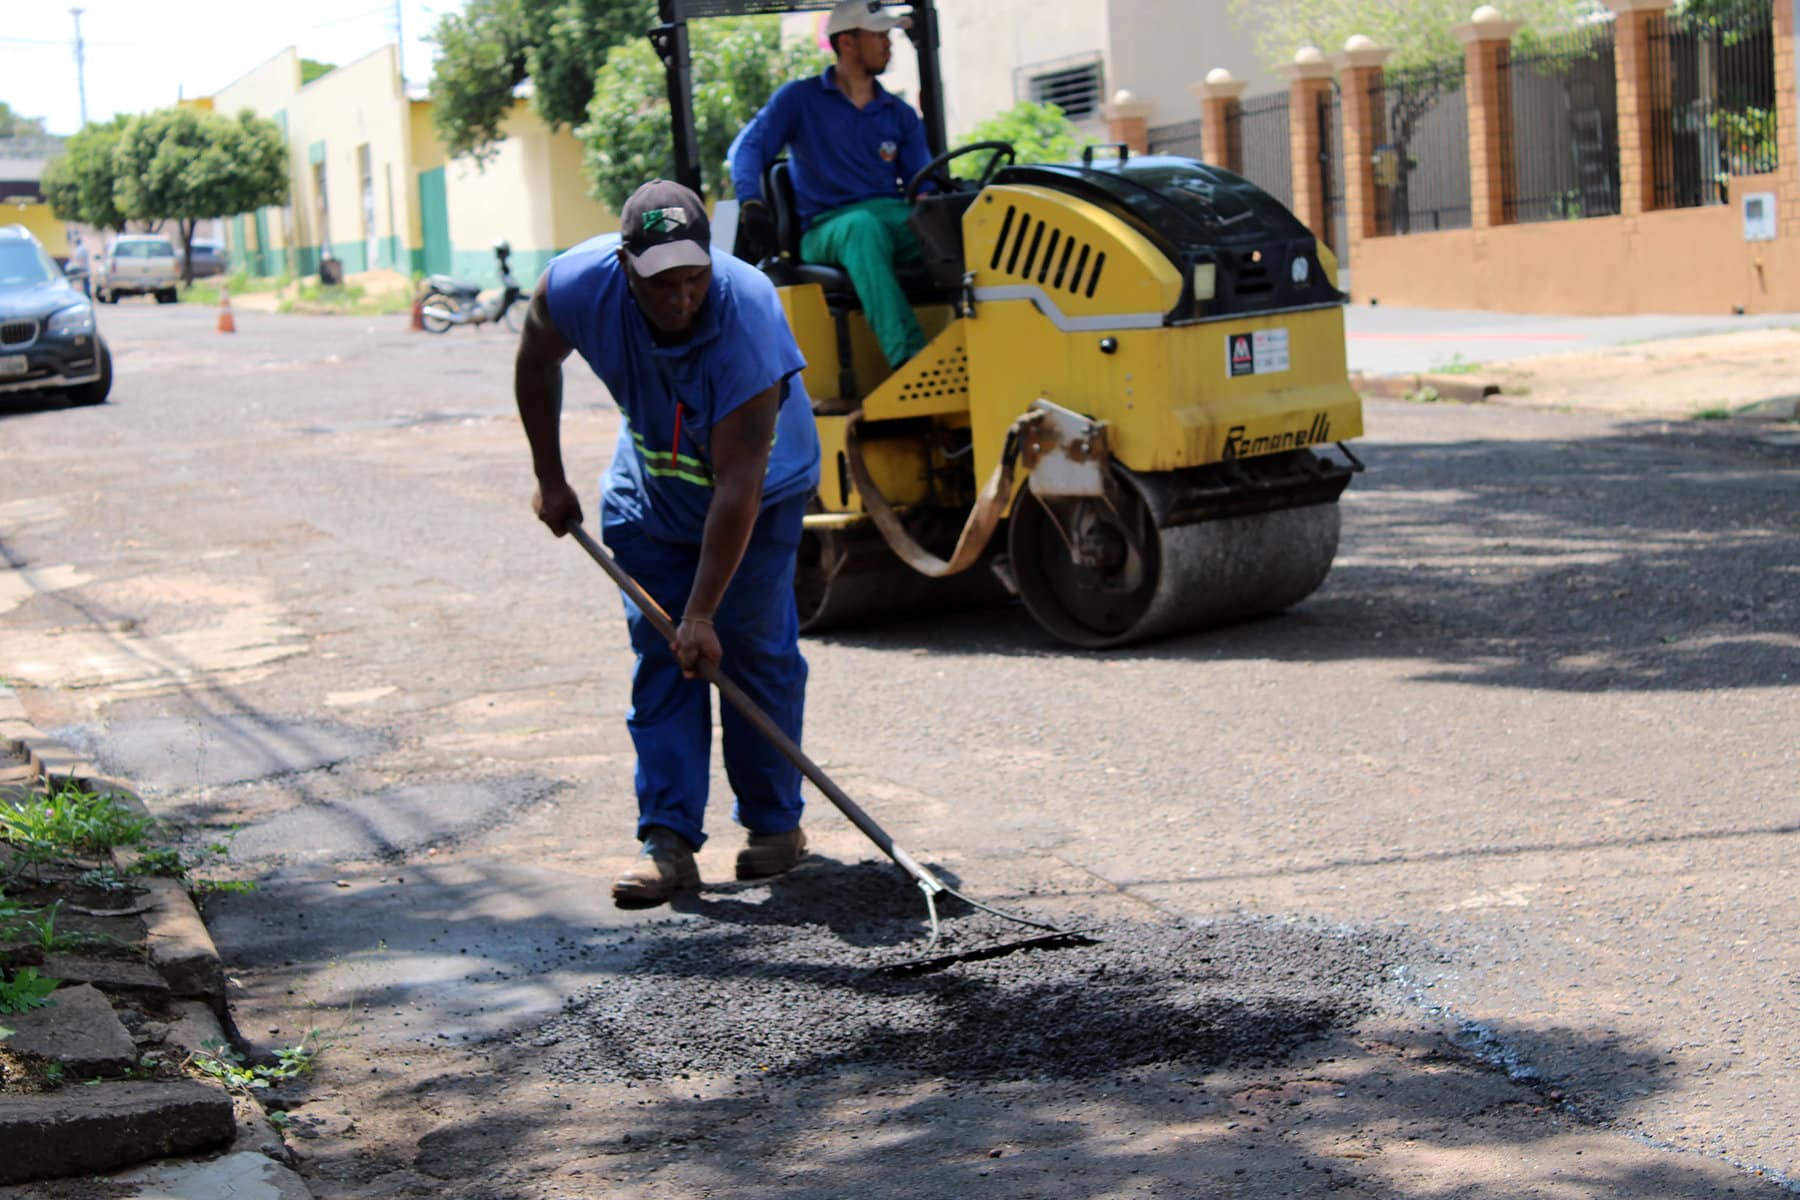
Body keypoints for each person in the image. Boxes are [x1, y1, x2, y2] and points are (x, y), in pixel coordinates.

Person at [515, 180, 821, 906]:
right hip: (650, 491)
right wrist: (550, 478)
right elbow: (535, 359)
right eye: (661, 285)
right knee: (664, 660)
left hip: (758, 497)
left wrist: (703, 612)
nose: (681, 298)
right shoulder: (575, 286)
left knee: (752, 652)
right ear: (626, 266)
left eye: (694, 279)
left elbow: (738, 484)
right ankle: (667, 841)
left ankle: (774, 826)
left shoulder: (749, 316)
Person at [730, 0, 931, 372]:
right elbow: (746, 149)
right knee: (863, 229)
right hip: (826, 228)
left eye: (888, 36)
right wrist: (751, 203)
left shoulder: (898, 113)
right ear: (847, 43)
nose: (887, 44)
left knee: (963, 226)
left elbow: (924, 183)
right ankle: (912, 362)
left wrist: (938, 215)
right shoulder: (800, 100)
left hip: (890, 217)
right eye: (878, 36)